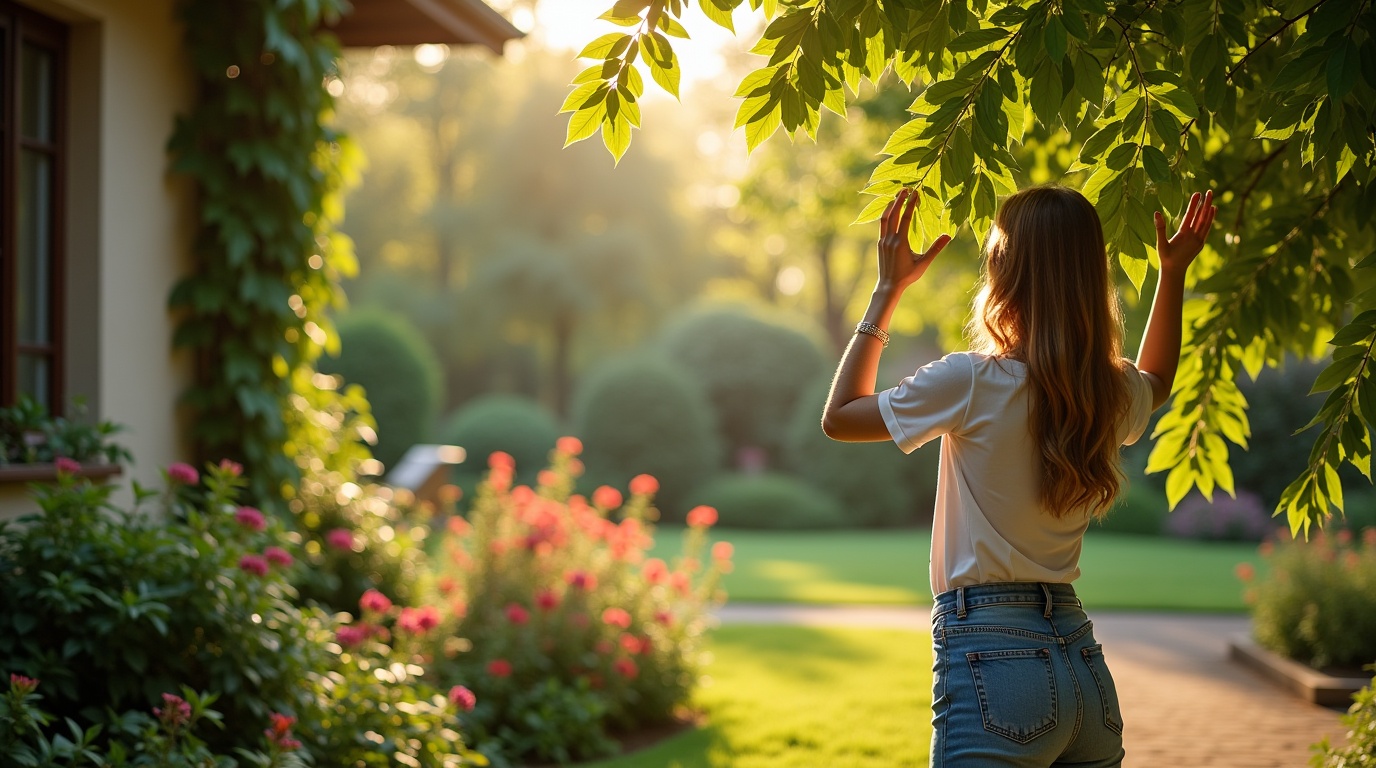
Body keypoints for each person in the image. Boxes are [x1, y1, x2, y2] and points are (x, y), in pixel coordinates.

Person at [820, 184, 1216, 767]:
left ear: (1006, 271)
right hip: (1083, 666)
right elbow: (1157, 381)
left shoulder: (971, 380)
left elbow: (840, 418)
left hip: (993, 657)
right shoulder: (1106, 392)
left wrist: (887, 290)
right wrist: (1173, 273)